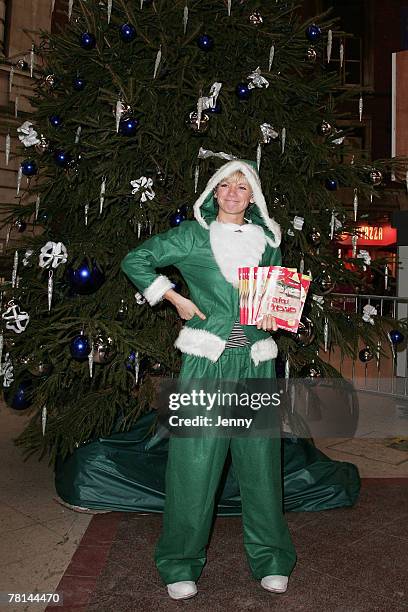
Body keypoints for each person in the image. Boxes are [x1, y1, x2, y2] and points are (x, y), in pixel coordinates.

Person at [121, 158, 297, 600]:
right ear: (214, 192)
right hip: (207, 364)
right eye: (226, 185)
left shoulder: (268, 241)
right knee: (193, 465)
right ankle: (179, 563)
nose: (234, 193)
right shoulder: (192, 236)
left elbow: (273, 296)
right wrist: (172, 297)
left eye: (243, 186)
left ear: (253, 195)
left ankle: (272, 558)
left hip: (255, 362)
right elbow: (136, 259)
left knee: (260, 466)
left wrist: (272, 316)